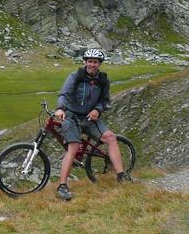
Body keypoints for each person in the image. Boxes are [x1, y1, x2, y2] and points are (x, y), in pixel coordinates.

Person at [53, 48, 131, 201]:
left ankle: (122, 176)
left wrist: (97, 109)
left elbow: (105, 101)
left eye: (95, 62)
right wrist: (60, 109)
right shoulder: (75, 76)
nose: (92, 65)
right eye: (89, 61)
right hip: (72, 116)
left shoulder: (103, 80)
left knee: (111, 138)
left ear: (99, 64)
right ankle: (62, 187)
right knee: (73, 148)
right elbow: (64, 94)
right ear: (85, 62)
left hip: (91, 119)